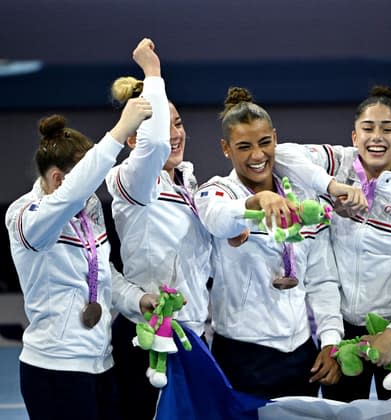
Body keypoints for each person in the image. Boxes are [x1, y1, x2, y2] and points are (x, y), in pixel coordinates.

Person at [277, 86, 391, 401]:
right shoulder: (338, 164)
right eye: (367, 128)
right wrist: (331, 185)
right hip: (344, 334)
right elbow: (280, 153)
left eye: (388, 129)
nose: (376, 137)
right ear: (354, 137)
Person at [194, 86, 347, 400]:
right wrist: (255, 201)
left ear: (275, 138)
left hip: (301, 354)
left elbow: (321, 279)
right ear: (226, 148)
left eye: (265, 142)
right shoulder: (217, 191)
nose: (257, 155)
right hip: (241, 354)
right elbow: (217, 219)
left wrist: (331, 340)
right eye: (244, 146)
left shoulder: (304, 199)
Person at [4, 101, 152, 418]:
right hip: (55, 370)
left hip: (102, 363)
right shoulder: (25, 217)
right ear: (59, 180)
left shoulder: (89, 208)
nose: (91, 187)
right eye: (86, 178)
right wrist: (120, 130)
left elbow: (102, 275)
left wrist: (138, 300)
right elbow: (69, 196)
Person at [105, 39, 213, 419]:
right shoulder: (131, 180)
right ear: (134, 139)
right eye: (165, 125)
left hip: (192, 334)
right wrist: (153, 73)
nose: (175, 133)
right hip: (144, 335)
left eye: (179, 122)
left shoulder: (188, 182)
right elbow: (154, 148)